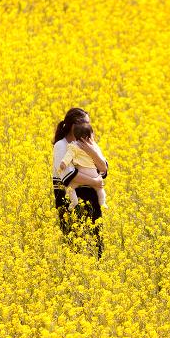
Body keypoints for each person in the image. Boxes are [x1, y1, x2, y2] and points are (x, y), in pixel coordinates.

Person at [51, 108, 109, 258]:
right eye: (86, 123)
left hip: (91, 199)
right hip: (69, 200)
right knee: (74, 249)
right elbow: (69, 176)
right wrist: (95, 182)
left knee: (96, 247)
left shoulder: (89, 144)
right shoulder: (61, 146)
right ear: (73, 126)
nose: (90, 127)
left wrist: (93, 152)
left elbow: (104, 170)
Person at [58, 121, 108, 210]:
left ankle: (74, 202)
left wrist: (63, 163)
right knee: (100, 188)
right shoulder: (95, 147)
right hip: (93, 174)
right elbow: (103, 168)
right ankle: (103, 202)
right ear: (89, 136)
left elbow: (68, 156)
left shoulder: (74, 146)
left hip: (81, 174)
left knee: (69, 187)